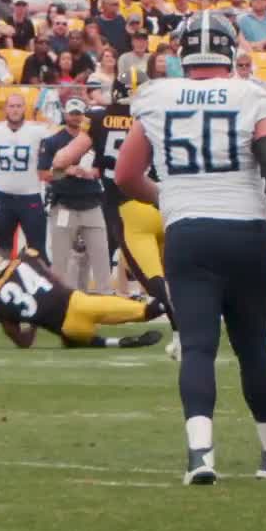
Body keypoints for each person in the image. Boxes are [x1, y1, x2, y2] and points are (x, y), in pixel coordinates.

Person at [114, 11, 266, 485]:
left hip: (188, 234)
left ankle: (201, 454)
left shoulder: (157, 96)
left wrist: (172, 199)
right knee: (253, 348)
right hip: (243, 230)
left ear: (182, 52)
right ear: (227, 50)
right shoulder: (253, 94)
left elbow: (125, 175)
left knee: (197, 346)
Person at [49, 66, 178, 358]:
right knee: (178, 275)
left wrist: (65, 165)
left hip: (130, 209)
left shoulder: (98, 117)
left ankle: (183, 335)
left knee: (156, 282)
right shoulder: (160, 115)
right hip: (167, 203)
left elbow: (62, 158)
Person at [0, 246, 164, 349]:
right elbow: (54, 279)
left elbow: (24, 343)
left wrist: (35, 321)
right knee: (147, 311)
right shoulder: (27, 257)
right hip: (79, 304)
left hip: (69, 329)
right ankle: (168, 306)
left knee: (71, 340)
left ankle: (112, 343)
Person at [40, 97, 110, 293]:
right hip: (64, 203)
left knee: (100, 256)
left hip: (92, 202)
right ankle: (58, 299)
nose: (76, 118)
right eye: (72, 113)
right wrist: (66, 171)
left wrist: (88, 173)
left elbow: (101, 169)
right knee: (61, 258)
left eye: (79, 114)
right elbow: (43, 173)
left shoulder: (97, 139)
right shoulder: (53, 141)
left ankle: (104, 298)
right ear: (65, 114)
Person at [0, 93, 50, 256]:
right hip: (3, 198)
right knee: (3, 250)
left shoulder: (37, 131)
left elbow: (58, 135)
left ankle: (37, 281)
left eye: (19, 106)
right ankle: (5, 282)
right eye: (11, 106)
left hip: (30, 197)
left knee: (37, 250)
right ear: (5, 108)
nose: (15, 110)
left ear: (25, 108)